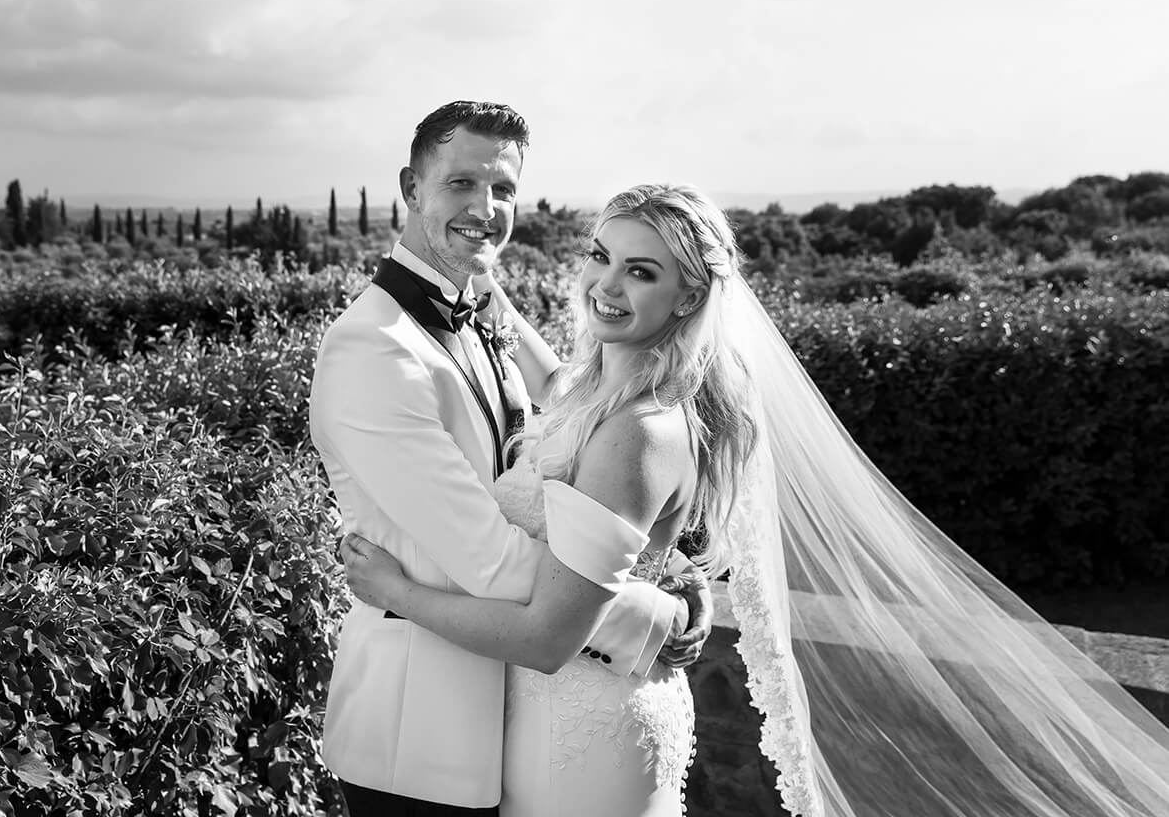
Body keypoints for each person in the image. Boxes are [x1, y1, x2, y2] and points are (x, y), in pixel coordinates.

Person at [343, 183, 1169, 817]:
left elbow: (547, 635)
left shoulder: (641, 430)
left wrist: (399, 595)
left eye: (642, 271)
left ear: (692, 297)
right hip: (570, 713)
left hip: (576, 728)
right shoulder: (605, 392)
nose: (605, 284)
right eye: (599, 255)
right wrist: (491, 295)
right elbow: (562, 405)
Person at [309, 104, 712, 817]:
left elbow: (576, 465)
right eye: (461, 183)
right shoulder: (375, 349)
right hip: (421, 735)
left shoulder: (483, 318)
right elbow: (492, 561)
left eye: (502, 190)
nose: (485, 208)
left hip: (515, 718)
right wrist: (656, 611)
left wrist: (669, 565)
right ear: (410, 185)